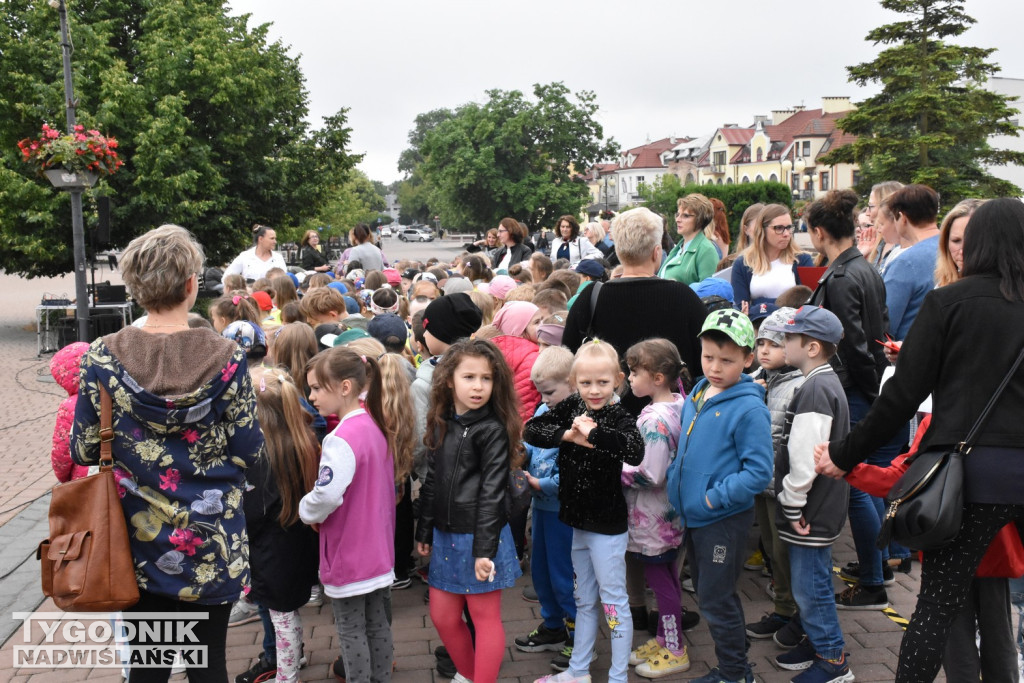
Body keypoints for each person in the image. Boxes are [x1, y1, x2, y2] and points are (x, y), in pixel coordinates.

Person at [815, 198, 1024, 683]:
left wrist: (846, 455)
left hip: (976, 478)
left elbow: (900, 399)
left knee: (938, 606)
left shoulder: (949, 303)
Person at [71, 224, 265, 683]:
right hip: (210, 538)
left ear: (135, 289)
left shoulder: (102, 355)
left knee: (147, 668)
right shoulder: (227, 356)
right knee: (208, 666)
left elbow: (82, 445)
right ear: (191, 284)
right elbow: (249, 449)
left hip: (133, 538)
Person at [525, 341, 644, 683]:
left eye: (603, 383)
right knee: (584, 599)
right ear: (575, 381)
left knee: (613, 602)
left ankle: (618, 676)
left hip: (606, 526)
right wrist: (568, 436)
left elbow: (635, 451)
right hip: (576, 522)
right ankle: (578, 671)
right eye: (587, 383)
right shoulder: (572, 406)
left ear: (617, 381)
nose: (594, 391)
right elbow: (533, 430)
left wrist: (597, 433)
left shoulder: (619, 416)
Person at [666, 309, 773, 683]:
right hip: (695, 515)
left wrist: (712, 499)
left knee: (715, 597)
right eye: (708, 356)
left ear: (748, 359)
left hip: (721, 521)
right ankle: (736, 660)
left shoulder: (749, 407)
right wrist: (674, 483)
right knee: (714, 594)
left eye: (726, 360)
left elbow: (759, 472)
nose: (714, 367)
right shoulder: (698, 390)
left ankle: (734, 673)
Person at [804, 190, 898, 608]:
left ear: (819, 232)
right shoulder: (864, 267)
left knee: (857, 483)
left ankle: (875, 579)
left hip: (854, 390)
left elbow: (853, 344)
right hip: (867, 386)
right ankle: (878, 566)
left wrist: (870, 389)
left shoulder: (841, 276)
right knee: (868, 482)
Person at [415, 339, 524, 683]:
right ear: (449, 379)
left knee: (484, 616)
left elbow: (492, 493)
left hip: (481, 535)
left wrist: (484, 550)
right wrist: (424, 529)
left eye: (487, 378)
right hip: (446, 535)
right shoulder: (441, 420)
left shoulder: (492, 429)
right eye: (469, 377)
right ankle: (467, 674)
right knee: (443, 616)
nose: (478, 386)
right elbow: (432, 479)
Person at [761, 307, 854, 681]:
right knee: (808, 580)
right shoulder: (822, 382)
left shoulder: (814, 388)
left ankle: (833, 660)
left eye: (790, 337)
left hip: (810, 510)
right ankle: (817, 643)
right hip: (817, 506)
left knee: (811, 584)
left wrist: (793, 503)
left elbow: (804, 458)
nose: (784, 342)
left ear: (811, 347)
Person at [299, 348, 398, 683]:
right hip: (378, 548)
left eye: (316, 388)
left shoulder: (340, 438)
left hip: (349, 552)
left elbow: (327, 492)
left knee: (351, 629)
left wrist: (306, 509)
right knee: (377, 624)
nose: (311, 396)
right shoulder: (375, 424)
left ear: (343, 387)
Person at [563, 207, 706, 417]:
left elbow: (568, 359)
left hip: (603, 424)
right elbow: (704, 362)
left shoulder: (591, 297)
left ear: (618, 252)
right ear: (657, 252)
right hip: (671, 421)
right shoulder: (683, 297)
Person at [238, 367, 320, 683]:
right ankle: (291, 659)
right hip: (297, 540)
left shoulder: (261, 453)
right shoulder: (304, 439)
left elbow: (253, 512)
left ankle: (286, 674)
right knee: (288, 611)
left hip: (271, 550)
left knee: (280, 615)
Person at [621, 340, 689, 679]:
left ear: (658, 377)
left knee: (660, 581)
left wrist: (615, 468)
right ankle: (665, 637)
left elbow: (650, 474)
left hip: (652, 517)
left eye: (635, 373)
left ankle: (674, 648)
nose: (630, 379)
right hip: (668, 514)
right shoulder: (679, 405)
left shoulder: (655, 421)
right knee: (668, 577)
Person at [514, 347, 578, 673]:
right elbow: (530, 442)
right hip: (541, 509)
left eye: (550, 391)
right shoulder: (543, 411)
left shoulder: (579, 422)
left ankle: (579, 638)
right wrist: (518, 452)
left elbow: (572, 474)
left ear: (573, 382)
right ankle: (553, 625)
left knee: (565, 576)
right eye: (541, 391)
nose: (545, 398)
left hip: (564, 512)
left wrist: (540, 484)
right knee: (541, 572)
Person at [743, 308, 804, 647]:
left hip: (784, 486)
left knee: (785, 552)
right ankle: (782, 609)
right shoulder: (761, 381)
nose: (764, 350)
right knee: (770, 548)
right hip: (764, 483)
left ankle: (798, 616)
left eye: (775, 343)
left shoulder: (796, 386)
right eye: (761, 342)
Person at [882, 184, 941, 339]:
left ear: (902, 218)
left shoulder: (906, 263)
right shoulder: (951, 246)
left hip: (909, 351)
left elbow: (886, 322)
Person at [731, 205, 814, 313]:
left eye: (789, 227)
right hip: (756, 326)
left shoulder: (802, 260)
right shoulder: (743, 263)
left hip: (792, 328)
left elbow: (810, 305)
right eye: (779, 228)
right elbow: (741, 309)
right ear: (762, 230)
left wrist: (761, 305)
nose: (786, 234)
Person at [50, 341, 91, 483]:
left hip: (85, 479)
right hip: (122, 476)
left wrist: (63, 478)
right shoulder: (115, 393)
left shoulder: (70, 406)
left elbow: (62, 452)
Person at [658, 194, 719, 285]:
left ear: (700, 220)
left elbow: (709, 293)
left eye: (685, 216)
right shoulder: (678, 248)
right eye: (677, 215)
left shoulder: (706, 250)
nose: (678, 219)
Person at [223, 224, 288, 283]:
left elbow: (285, 282)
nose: (275, 242)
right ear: (261, 239)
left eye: (275, 238)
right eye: (272, 238)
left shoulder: (278, 258)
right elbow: (226, 278)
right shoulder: (245, 256)